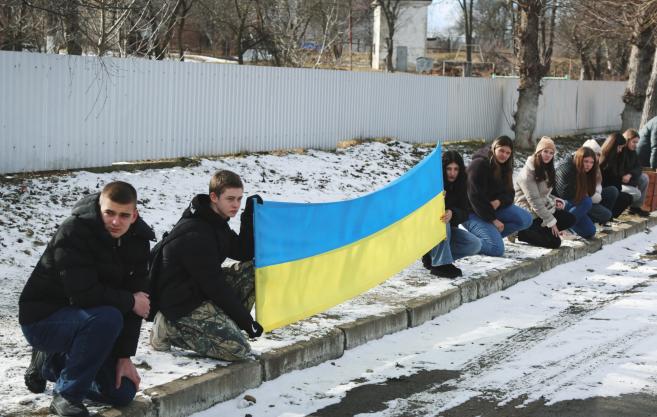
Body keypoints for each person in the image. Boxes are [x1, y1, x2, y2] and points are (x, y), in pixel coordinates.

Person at [19, 182, 154, 417]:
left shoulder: (138, 240)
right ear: (99, 208)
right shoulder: (73, 231)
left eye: (124, 215)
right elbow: (84, 295)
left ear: (134, 215)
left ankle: (50, 365)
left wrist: (124, 356)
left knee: (122, 393)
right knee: (109, 317)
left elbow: (138, 302)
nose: (116, 221)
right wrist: (130, 301)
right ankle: (66, 395)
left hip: (90, 324)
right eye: (109, 213)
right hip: (43, 320)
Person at [149, 170, 264, 361]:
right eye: (230, 199)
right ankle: (167, 328)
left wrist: (249, 216)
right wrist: (246, 321)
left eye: (239, 199)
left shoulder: (216, 221)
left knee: (254, 270)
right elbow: (216, 287)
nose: (236, 205)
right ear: (214, 197)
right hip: (180, 303)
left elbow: (243, 252)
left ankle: (223, 325)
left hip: (200, 290)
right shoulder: (196, 234)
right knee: (238, 349)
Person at [463, 135, 533, 257]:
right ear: (494, 148)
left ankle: (489, 236)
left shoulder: (505, 166)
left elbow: (510, 194)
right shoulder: (478, 165)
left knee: (526, 219)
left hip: (491, 208)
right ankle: (463, 242)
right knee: (496, 249)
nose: (504, 155)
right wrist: (492, 220)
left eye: (508, 153)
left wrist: (499, 201)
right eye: (501, 150)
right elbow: (474, 198)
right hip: (471, 211)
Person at [421, 150, 481, 278]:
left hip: (449, 231)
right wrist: (440, 202)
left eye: (456, 169)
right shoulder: (433, 183)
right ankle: (440, 265)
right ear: (443, 169)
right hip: (429, 232)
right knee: (442, 219)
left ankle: (434, 258)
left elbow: (465, 212)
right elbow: (423, 213)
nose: (452, 173)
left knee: (475, 244)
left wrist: (453, 213)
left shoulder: (462, 183)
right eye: (449, 169)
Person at [514, 137, 576, 249]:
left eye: (551, 153)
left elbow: (543, 194)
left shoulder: (546, 168)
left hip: (541, 209)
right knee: (554, 243)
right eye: (545, 151)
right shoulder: (527, 173)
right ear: (538, 152)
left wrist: (555, 200)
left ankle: (542, 231)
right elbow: (534, 200)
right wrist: (551, 222)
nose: (548, 155)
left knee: (570, 218)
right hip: (529, 213)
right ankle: (521, 232)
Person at [553, 147, 598, 239]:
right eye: (586, 161)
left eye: (591, 162)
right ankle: (561, 227)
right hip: (558, 202)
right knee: (586, 201)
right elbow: (564, 194)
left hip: (573, 205)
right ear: (579, 159)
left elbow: (590, 192)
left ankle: (568, 225)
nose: (589, 165)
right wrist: (582, 192)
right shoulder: (567, 168)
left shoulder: (587, 171)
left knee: (590, 232)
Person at [582, 139, 617, 225]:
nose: (597, 157)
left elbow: (598, 185)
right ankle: (590, 222)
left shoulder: (596, 166)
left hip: (594, 196)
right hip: (584, 200)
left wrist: (598, 194)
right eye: (595, 154)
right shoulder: (581, 166)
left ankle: (602, 222)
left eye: (598, 154)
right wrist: (596, 197)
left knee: (612, 191)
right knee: (606, 214)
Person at [599, 133, 633, 218]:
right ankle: (606, 217)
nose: (620, 150)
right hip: (604, 191)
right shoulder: (603, 160)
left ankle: (610, 217)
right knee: (621, 196)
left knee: (628, 198)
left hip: (615, 189)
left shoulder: (619, 158)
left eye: (622, 148)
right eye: (619, 147)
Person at [622, 129, 651, 217]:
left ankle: (635, 207)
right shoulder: (620, 151)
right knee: (636, 193)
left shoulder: (633, 152)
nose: (636, 145)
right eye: (633, 142)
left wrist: (631, 174)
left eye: (637, 142)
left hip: (629, 178)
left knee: (644, 178)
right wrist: (628, 176)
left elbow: (638, 167)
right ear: (627, 140)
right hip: (619, 180)